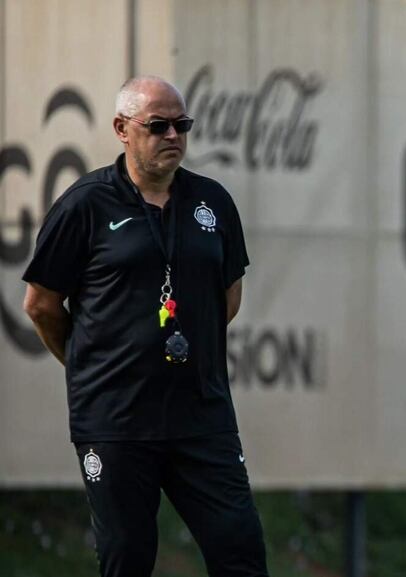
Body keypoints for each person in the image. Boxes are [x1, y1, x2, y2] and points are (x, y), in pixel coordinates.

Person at [22, 76, 268, 577]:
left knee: (240, 552)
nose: (173, 135)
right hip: (116, 420)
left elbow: (228, 296)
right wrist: (91, 359)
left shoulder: (212, 202)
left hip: (201, 415)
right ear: (122, 129)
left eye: (182, 125)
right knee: (127, 560)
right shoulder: (85, 204)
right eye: (158, 126)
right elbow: (41, 304)